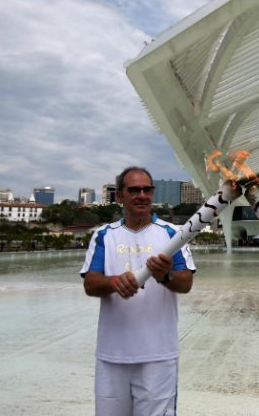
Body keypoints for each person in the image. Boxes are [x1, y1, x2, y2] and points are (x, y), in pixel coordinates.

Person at [80, 166, 195, 416]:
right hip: (112, 356)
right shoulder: (104, 236)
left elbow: (185, 282)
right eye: (133, 190)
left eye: (147, 189)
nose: (141, 195)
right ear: (120, 196)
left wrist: (165, 276)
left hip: (158, 355)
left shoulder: (172, 235)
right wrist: (114, 283)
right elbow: (90, 282)